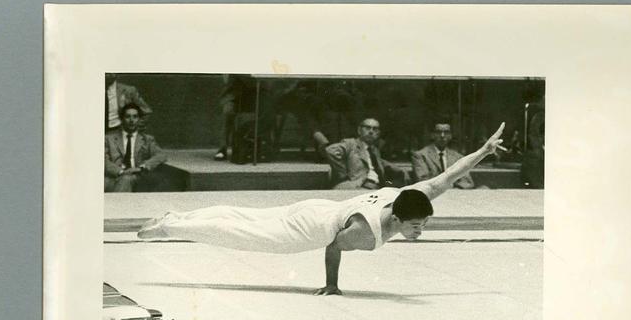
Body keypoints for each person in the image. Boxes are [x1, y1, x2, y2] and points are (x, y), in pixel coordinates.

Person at [137, 123, 506, 295]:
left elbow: (447, 176)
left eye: (422, 225)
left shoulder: (409, 195)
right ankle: (170, 228)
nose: (418, 231)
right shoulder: (371, 231)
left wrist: (484, 150)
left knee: (244, 215)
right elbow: (334, 246)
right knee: (241, 233)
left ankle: (178, 216)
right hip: (310, 230)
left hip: (318, 207)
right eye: (414, 227)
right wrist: (332, 285)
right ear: (396, 218)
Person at [322, 117, 410, 189]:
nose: (371, 131)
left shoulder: (374, 150)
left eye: (375, 129)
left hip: (377, 187)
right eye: (367, 128)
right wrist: (343, 175)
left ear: (378, 133)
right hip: (358, 186)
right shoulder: (351, 144)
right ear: (359, 130)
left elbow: (379, 162)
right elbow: (331, 150)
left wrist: (401, 170)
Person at [104, 103, 168, 192]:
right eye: (128, 116)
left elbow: (161, 155)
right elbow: (103, 161)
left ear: (139, 120)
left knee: (126, 179)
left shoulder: (147, 139)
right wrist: (121, 171)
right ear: (122, 119)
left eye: (135, 117)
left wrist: (142, 167)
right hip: (115, 175)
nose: (131, 120)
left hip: (136, 177)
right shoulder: (108, 138)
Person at [411, 122, 475, 189]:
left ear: (450, 136)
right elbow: (423, 181)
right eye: (438, 132)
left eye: (446, 132)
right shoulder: (420, 156)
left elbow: (467, 182)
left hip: (454, 194)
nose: (442, 135)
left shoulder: (458, 157)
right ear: (432, 135)